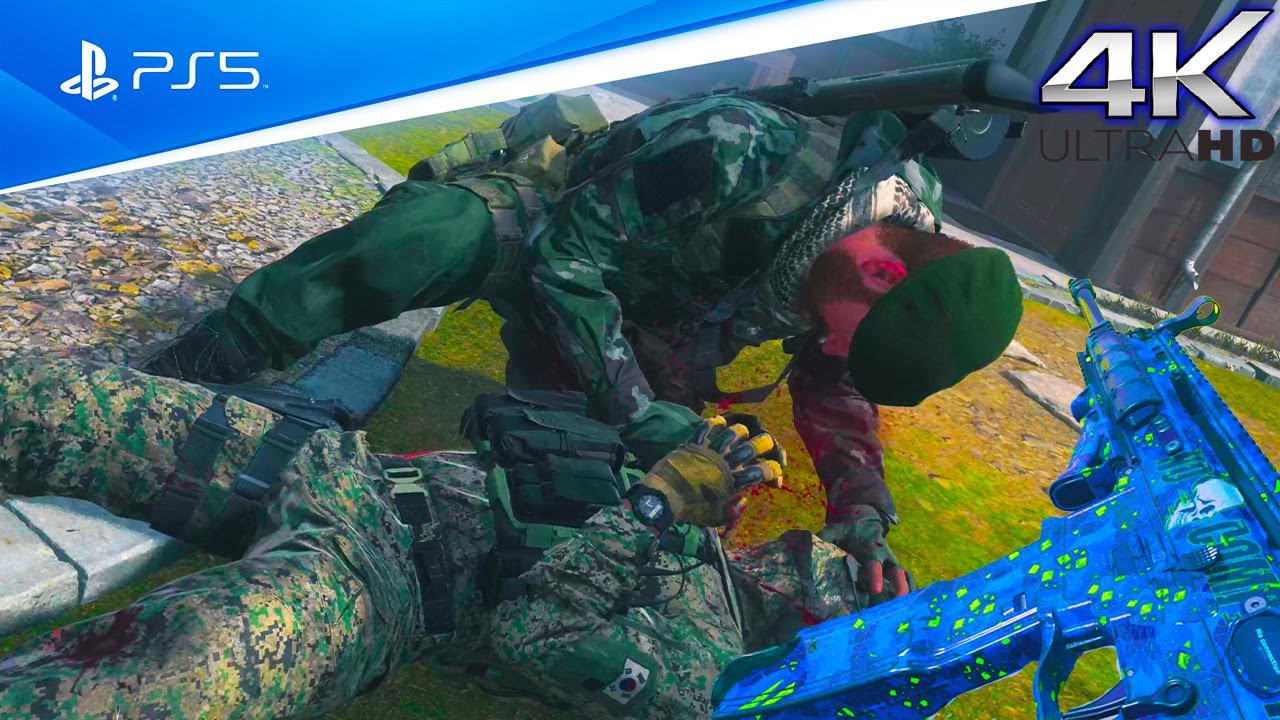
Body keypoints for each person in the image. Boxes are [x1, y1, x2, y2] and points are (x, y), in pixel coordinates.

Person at [140, 92, 1024, 598]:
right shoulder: (737, 152)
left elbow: (836, 385)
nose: (825, 345)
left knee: (651, 492)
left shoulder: (895, 240)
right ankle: (217, 352)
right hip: (558, 230)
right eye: (843, 332)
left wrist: (862, 513)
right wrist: (640, 411)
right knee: (425, 238)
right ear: (880, 272)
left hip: (653, 313)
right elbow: (563, 262)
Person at [0, 355, 866, 720]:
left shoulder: (706, 679)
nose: (822, 556)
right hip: (346, 471)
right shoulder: (712, 544)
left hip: (377, 589)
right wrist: (697, 454)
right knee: (57, 402)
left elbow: (536, 635)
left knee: (164, 671)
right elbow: (612, 431)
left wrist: (655, 506)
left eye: (851, 588)